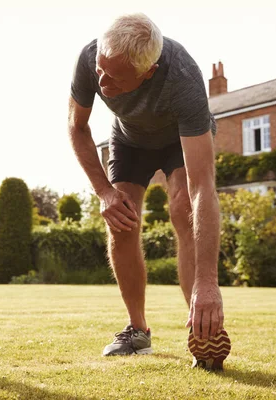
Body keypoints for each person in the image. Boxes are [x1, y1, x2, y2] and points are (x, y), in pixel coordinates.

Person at [68, 13, 230, 370]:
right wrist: (104, 193)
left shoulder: (182, 79)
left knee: (184, 207)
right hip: (129, 141)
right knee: (121, 220)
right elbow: (77, 128)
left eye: (115, 77)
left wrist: (209, 283)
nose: (102, 80)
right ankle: (137, 330)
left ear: (148, 72)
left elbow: (202, 186)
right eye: (100, 70)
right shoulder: (90, 58)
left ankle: (201, 327)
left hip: (179, 140)